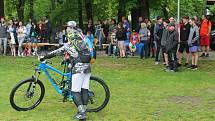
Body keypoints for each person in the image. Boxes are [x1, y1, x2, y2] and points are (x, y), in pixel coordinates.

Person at [40, 21, 93, 120]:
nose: (66, 29)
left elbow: (58, 51)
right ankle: (83, 111)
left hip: (78, 67)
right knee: (84, 89)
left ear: (70, 28)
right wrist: (68, 59)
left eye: (67, 27)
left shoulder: (71, 40)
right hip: (87, 66)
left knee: (75, 92)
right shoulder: (81, 37)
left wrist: (45, 56)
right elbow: (78, 52)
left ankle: (82, 114)